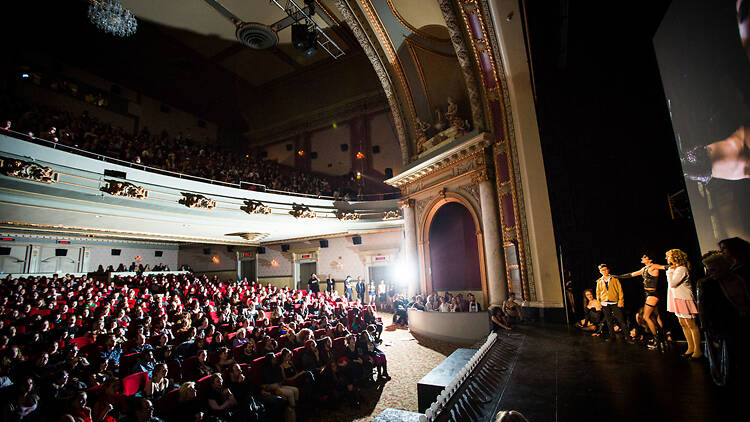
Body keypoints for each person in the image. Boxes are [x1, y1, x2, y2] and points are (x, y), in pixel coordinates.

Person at [616, 253, 668, 349]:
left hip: (652, 294)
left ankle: (657, 340)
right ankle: (663, 340)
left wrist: (677, 265)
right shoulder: (644, 269)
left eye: (644, 257)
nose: (642, 258)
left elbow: (664, 267)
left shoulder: (653, 266)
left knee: (646, 317)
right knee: (656, 317)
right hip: (649, 294)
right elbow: (631, 274)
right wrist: (617, 276)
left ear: (650, 259)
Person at [665, 249, 702, 358]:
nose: (666, 258)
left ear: (675, 257)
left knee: (691, 325)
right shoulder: (676, 269)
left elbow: (673, 283)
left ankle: (698, 350)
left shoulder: (682, 269)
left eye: (668, 256)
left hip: (684, 298)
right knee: (683, 323)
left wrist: (669, 272)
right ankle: (690, 347)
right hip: (676, 298)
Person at [595, 264, 628, 341]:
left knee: (621, 319)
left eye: (606, 269)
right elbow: (598, 293)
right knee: (608, 320)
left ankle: (627, 336)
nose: (605, 271)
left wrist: (621, 301)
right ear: (600, 271)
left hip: (614, 302)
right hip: (604, 302)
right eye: (603, 270)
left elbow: (620, 290)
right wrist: (599, 303)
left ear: (608, 270)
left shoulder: (614, 279)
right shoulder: (599, 281)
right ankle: (612, 336)